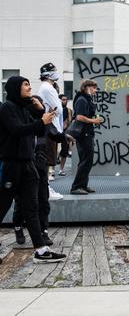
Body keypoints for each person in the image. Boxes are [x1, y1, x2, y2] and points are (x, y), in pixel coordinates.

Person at [0, 76, 66, 263]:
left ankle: (41, 250)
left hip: (28, 164)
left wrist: (39, 112)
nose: (29, 88)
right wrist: (41, 120)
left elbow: (36, 131)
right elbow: (17, 130)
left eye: (29, 84)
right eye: (25, 84)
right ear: (15, 88)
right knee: (2, 205)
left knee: (32, 207)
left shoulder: (25, 107)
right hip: (11, 164)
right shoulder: (7, 108)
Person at [70, 79, 103, 195]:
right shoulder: (82, 99)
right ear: (86, 87)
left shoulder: (85, 99)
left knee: (87, 160)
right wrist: (93, 120)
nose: (95, 90)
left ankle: (83, 185)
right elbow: (79, 117)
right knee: (86, 160)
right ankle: (76, 187)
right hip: (83, 134)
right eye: (93, 87)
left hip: (86, 133)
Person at [58, 93, 74, 176]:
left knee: (64, 151)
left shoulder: (69, 111)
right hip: (56, 132)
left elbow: (71, 121)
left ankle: (61, 169)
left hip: (66, 133)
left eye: (66, 100)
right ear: (59, 100)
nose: (66, 101)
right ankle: (51, 171)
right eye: (63, 100)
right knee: (54, 151)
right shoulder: (56, 110)